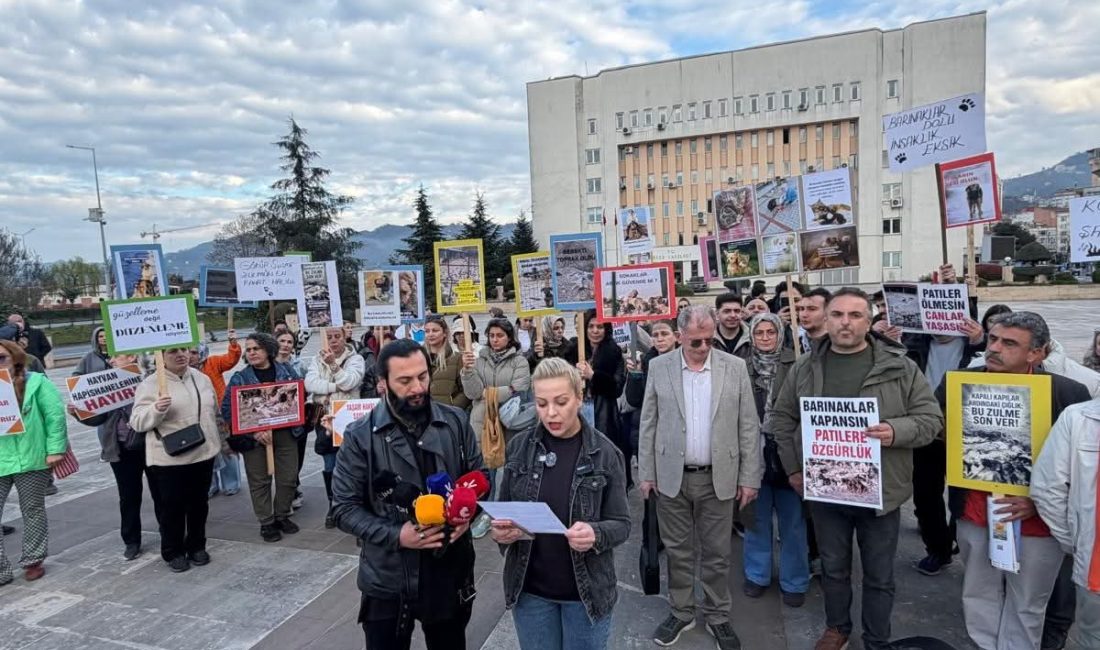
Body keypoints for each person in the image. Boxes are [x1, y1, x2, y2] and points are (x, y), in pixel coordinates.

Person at [769, 288, 942, 650]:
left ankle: (877, 638)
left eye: (855, 315)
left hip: (881, 492)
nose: (845, 322)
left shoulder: (900, 367)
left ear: (869, 321)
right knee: (834, 568)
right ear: (826, 319)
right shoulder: (805, 367)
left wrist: (896, 431)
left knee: (879, 575)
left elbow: (931, 420)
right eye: (837, 315)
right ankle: (838, 627)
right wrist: (794, 470)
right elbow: (782, 418)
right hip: (826, 488)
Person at [938, 312, 1090, 650]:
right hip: (975, 514)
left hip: (1037, 523)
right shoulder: (957, 382)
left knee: (1027, 606)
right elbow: (936, 434)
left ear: (1038, 353)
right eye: (992, 339)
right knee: (977, 596)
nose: (994, 348)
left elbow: (1084, 467)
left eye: (1009, 343)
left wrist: (1038, 502)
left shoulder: (1068, 393)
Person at [330, 339, 484, 650]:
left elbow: (480, 478)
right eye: (405, 381)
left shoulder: (454, 421)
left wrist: (469, 514)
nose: (417, 388)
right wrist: (398, 534)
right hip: (388, 576)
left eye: (423, 376)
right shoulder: (360, 437)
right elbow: (344, 509)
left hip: (448, 570)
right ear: (382, 384)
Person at [638, 305, 761, 649]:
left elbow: (748, 426)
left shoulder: (734, 368)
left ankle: (718, 615)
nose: (704, 347)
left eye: (709, 340)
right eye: (696, 342)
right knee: (678, 551)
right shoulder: (659, 367)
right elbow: (649, 422)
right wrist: (646, 472)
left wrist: (750, 476)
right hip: (670, 477)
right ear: (679, 337)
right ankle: (681, 610)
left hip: (718, 476)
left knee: (718, 552)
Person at [493, 358, 631, 650]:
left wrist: (596, 533)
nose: (551, 413)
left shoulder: (606, 454)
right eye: (542, 404)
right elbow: (504, 511)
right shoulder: (519, 447)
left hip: (585, 595)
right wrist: (502, 532)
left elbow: (622, 524)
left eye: (561, 401)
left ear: (580, 398)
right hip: (530, 592)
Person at [130, 346, 222, 573]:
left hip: (203, 453)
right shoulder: (150, 384)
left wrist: (223, 441)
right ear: (160, 357)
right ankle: (173, 551)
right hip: (168, 458)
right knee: (172, 508)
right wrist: (156, 409)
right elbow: (137, 422)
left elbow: (213, 411)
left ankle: (197, 546)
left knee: (199, 504)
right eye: (172, 351)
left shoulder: (201, 378)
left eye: (183, 350)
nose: (180, 354)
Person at [741, 313, 807, 607]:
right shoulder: (741, 364)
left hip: (788, 450)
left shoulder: (799, 362)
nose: (765, 338)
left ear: (780, 334)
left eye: (771, 332)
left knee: (793, 522)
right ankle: (757, 575)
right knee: (755, 518)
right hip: (753, 451)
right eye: (759, 333)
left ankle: (795, 580)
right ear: (751, 336)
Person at [70, 354, 159, 561]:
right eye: (111, 358)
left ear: (132, 357)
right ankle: (131, 541)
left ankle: (169, 530)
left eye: (117, 357)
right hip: (120, 447)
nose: (111, 361)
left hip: (150, 444)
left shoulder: (150, 379)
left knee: (160, 491)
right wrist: (79, 413)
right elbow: (98, 418)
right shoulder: (108, 383)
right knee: (128, 496)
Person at [222, 333, 304, 543]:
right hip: (256, 437)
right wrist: (253, 430)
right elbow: (228, 409)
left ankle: (282, 515)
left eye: (256, 348)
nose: (251, 353)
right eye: (248, 350)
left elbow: (299, 394)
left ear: (268, 349)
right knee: (259, 480)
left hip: (286, 433)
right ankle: (267, 522)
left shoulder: (286, 371)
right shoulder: (240, 378)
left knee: (288, 477)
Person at [1032, 398, 1100, 649]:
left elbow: (1047, 490)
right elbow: (1047, 490)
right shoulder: (1079, 418)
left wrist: (1079, 543)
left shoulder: (1078, 417)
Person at [0, 341, 67, 585]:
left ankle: (33, 559)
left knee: (33, 509)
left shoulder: (37, 383)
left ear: (15, 358)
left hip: (33, 458)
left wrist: (55, 450)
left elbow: (54, 416)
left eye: (2, 358)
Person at [305, 327, 366, 528]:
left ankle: (356, 504)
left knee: (352, 463)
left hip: (348, 417)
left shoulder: (355, 359)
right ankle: (334, 504)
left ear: (344, 337)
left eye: (337, 336)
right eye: (329, 337)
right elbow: (311, 384)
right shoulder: (316, 359)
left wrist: (334, 367)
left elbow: (350, 381)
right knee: (329, 464)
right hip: (325, 418)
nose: (333, 341)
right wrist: (333, 386)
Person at [565, 310, 628, 487]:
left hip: (603, 413)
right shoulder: (572, 350)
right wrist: (572, 373)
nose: (595, 331)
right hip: (577, 410)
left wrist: (594, 376)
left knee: (601, 455)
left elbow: (616, 388)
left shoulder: (613, 352)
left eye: (599, 327)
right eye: (591, 326)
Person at [191, 334, 243, 499]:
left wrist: (233, 343)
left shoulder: (212, 363)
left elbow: (231, 359)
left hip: (219, 416)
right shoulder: (182, 371)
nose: (190, 356)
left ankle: (231, 484)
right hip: (197, 419)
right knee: (204, 452)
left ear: (201, 353)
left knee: (227, 450)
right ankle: (210, 485)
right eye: (187, 352)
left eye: (193, 352)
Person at [424, 316, 470, 409]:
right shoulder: (417, 358)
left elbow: (465, 390)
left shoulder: (457, 358)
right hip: (423, 414)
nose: (430, 334)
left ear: (445, 333)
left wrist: (453, 408)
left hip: (447, 414)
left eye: (435, 330)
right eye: (427, 331)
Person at [713, 293, 751, 360]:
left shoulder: (753, 337)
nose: (733, 315)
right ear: (717, 314)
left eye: (736, 311)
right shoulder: (708, 339)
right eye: (727, 311)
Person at [795, 287, 832, 353]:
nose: (804, 314)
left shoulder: (840, 346)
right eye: (801, 309)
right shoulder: (793, 345)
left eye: (812, 309)